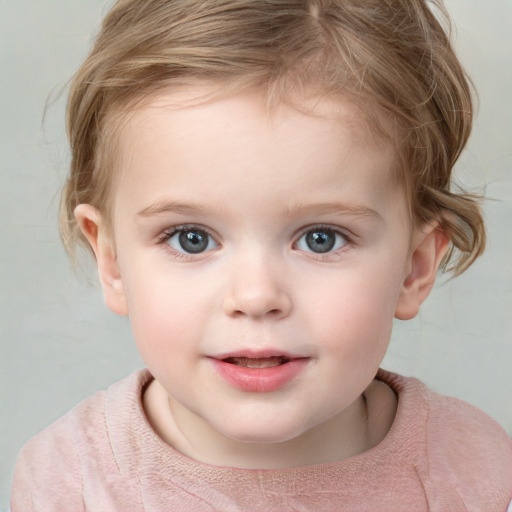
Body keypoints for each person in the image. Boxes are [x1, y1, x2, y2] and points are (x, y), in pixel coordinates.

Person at [10, 0, 512, 510]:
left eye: (321, 238)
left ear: (414, 267)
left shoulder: (471, 471)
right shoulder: (70, 484)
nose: (255, 296)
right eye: (191, 238)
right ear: (112, 262)